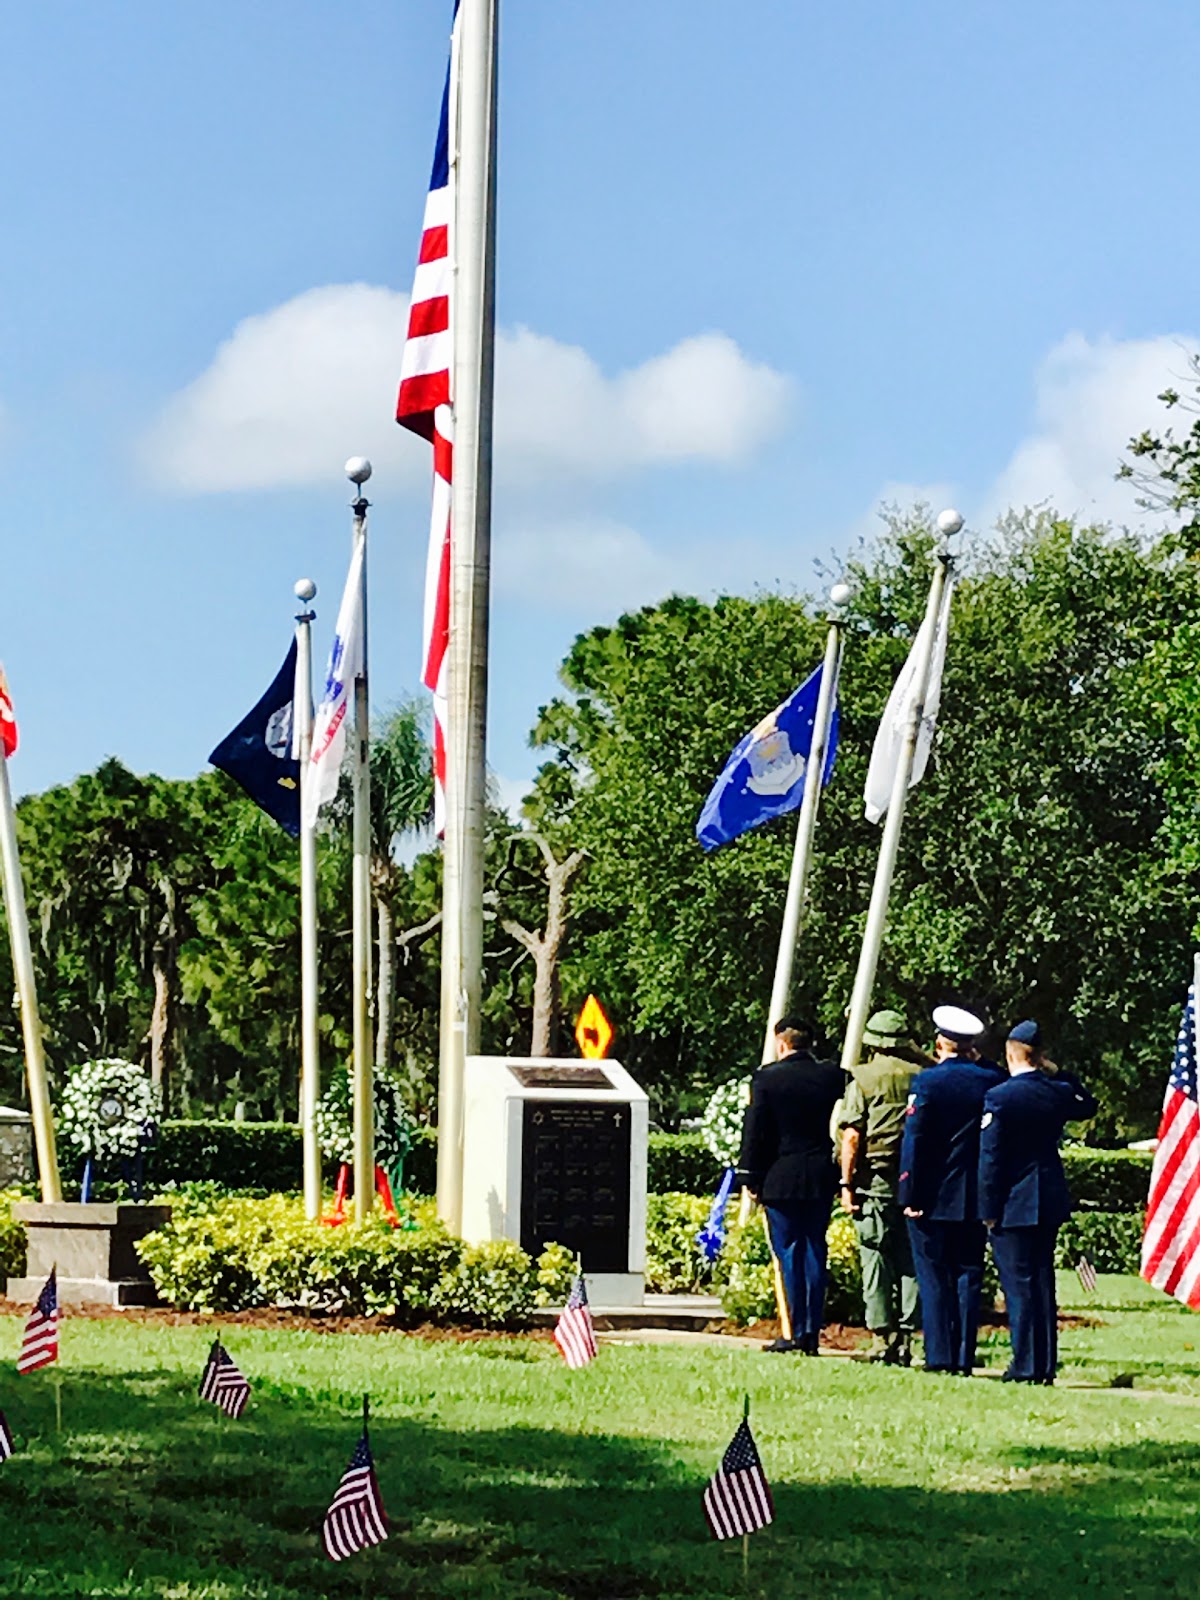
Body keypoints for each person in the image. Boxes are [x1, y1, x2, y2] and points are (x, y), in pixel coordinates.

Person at [979, 1020, 1098, 1384]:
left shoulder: (1000, 1097)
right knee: (1043, 1284)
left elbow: (991, 1159)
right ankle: (1044, 1363)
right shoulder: (1056, 1093)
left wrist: (987, 1209)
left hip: (1013, 1202)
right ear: (1040, 1056)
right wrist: (1059, 1072)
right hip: (1047, 1197)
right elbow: (1088, 1105)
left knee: (1018, 1286)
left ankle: (1025, 1364)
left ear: (1009, 1054)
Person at [899, 1004, 1003, 1375]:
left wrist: (910, 1193)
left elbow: (915, 1142)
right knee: (968, 1275)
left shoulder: (928, 1082)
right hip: (975, 1194)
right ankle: (962, 1355)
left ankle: (939, 1353)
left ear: (940, 1042)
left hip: (932, 1194)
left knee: (933, 1277)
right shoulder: (993, 1080)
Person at [737, 1015, 845, 1354]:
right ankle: (811, 1330)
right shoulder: (830, 1076)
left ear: (781, 1043)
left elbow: (756, 1130)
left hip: (780, 1175)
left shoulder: (767, 1078)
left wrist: (749, 1175)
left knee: (787, 1252)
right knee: (814, 1250)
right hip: (818, 1174)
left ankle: (792, 1330)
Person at [837, 1009, 929, 1365]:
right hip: (915, 1181)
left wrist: (846, 1183)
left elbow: (852, 1136)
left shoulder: (862, 1078)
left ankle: (880, 1337)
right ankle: (906, 1339)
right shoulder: (923, 1076)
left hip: (873, 1181)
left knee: (875, 1257)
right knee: (909, 1260)